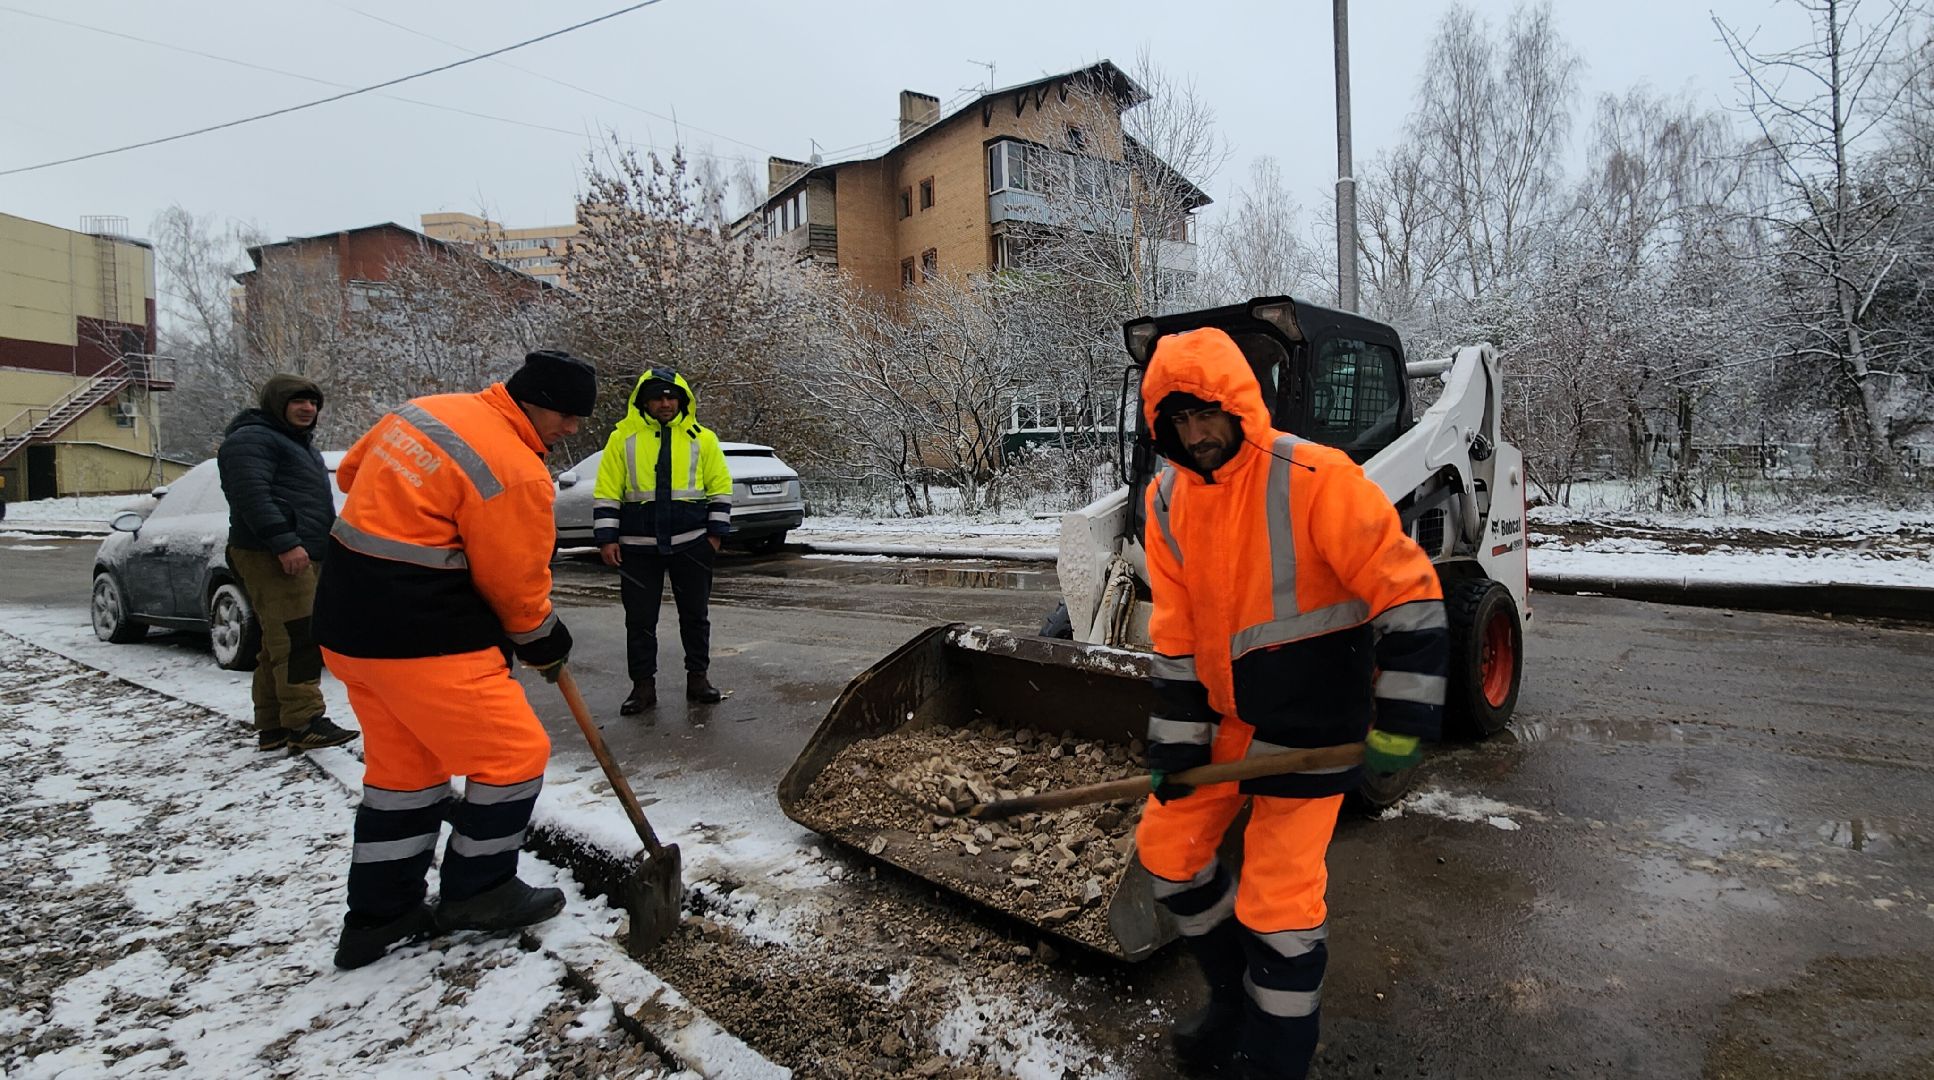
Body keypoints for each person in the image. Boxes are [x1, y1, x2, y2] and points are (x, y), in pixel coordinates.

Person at [1132, 328, 1448, 1079]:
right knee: (1169, 852)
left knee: (1276, 904)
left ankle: (1276, 1057)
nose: (1196, 435)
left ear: (1239, 403)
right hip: (1231, 722)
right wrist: (1175, 743)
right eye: (1179, 421)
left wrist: (1403, 722)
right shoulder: (1167, 499)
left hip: (1313, 726)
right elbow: (1177, 633)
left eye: (1206, 414)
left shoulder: (1315, 477)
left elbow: (1409, 595)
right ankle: (1234, 1001)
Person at [314, 349, 594, 970]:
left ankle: (379, 917)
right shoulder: (515, 471)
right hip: (421, 636)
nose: (572, 429)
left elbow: (351, 474)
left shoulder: (425, 411)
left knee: (406, 776)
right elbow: (515, 586)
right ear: (534, 401)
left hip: (347, 626)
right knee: (515, 755)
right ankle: (479, 890)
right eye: (567, 415)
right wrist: (543, 639)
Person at [216, 374, 357, 753]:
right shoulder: (252, 439)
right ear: (277, 404)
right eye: (298, 401)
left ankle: (274, 725)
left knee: (277, 640)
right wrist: (284, 543)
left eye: (313, 403)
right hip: (271, 553)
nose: (307, 408)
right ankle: (305, 721)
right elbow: (251, 495)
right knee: (298, 636)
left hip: (299, 550)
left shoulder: (295, 443)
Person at [592, 367, 733, 714]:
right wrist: (607, 538)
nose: (665, 403)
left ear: (682, 401)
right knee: (639, 621)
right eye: (657, 397)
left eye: (671, 397)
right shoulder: (622, 439)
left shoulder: (702, 438)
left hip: (692, 544)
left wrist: (714, 537)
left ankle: (698, 679)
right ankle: (643, 687)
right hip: (637, 549)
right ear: (644, 402)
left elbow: (720, 487)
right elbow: (608, 491)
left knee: (695, 616)